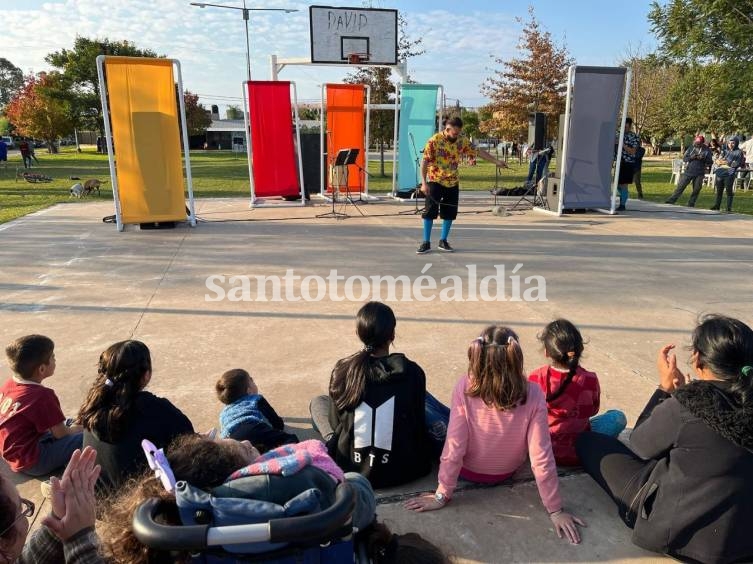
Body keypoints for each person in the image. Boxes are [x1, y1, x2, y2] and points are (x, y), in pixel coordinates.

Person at [576, 315, 753, 564]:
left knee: (589, 443)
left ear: (698, 359)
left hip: (677, 536)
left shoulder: (691, 403)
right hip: (742, 542)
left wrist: (666, 389)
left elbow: (640, 444)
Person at [404, 326, 585, 545]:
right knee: (444, 411)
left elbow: (454, 446)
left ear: (478, 356)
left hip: (466, 471)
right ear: (516, 357)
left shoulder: (465, 385)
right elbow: (541, 458)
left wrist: (442, 494)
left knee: (421, 398)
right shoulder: (534, 392)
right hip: (506, 472)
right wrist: (555, 510)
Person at [100, 433, 378, 563]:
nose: (248, 442)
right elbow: (360, 500)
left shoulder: (180, 532)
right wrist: (352, 480)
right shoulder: (298, 484)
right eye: (245, 450)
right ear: (240, 473)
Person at [309, 301, 440, 489]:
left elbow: (336, 421)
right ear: (392, 335)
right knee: (424, 401)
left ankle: (332, 443)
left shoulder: (343, 370)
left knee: (318, 402)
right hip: (407, 469)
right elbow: (417, 421)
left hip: (352, 469)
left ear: (358, 334)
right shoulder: (412, 371)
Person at [78, 340, 194, 493]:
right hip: (138, 507)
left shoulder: (93, 405)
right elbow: (191, 444)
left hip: (96, 501)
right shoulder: (156, 409)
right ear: (146, 375)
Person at [528, 319, 626, 466]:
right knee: (617, 417)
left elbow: (525, 413)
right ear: (580, 350)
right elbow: (593, 410)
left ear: (547, 352)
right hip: (580, 450)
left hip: (541, 450)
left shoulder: (536, 377)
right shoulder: (590, 379)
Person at [416, 116, 508, 254]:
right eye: (454, 133)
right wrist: (423, 183)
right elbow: (425, 162)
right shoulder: (434, 141)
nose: (456, 136)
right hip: (435, 180)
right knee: (430, 212)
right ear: (447, 129)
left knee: (450, 213)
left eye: (458, 133)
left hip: (453, 181)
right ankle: (426, 242)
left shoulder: (461, 141)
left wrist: (497, 161)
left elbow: (478, 152)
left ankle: (443, 241)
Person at [0, 446, 105, 563]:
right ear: (2, 544)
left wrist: (57, 524)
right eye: (21, 509)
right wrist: (80, 539)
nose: (25, 511)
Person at [0, 335, 83, 477]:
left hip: (15, 454)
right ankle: (66, 472)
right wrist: (82, 429)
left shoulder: (9, 385)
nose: (55, 360)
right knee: (88, 436)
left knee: (68, 422)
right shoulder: (42, 395)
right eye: (53, 357)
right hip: (34, 461)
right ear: (42, 369)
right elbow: (61, 434)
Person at [216, 368, 298, 452]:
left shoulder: (224, 413)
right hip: (251, 428)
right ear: (249, 390)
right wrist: (279, 426)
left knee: (250, 452)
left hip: (230, 440)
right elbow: (275, 421)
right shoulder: (255, 399)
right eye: (252, 381)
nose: (254, 383)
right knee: (291, 439)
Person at [665, 135, 714, 207]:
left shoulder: (707, 150)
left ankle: (691, 203)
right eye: (696, 142)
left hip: (700, 172)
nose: (697, 144)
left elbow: (710, 162)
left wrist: (703, 159)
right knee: (680, 186)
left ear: (702, 143)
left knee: (696, 189)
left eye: (699, 143)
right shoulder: (691, 148)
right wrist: (691, 157)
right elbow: (685, 159)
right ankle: (671, 200)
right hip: (689, 171)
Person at [711, 136, 745, 212]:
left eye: (733, 143)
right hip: (720, 172)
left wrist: (728, 162)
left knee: (728, 191)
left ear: (736, 143)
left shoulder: (739, 152)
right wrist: (718, 161)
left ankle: (728, 207)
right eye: (729, 143)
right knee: (719, 190)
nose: (731, 144)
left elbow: (738, 163)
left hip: (729, 173)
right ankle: (717, 205)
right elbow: (718, 159)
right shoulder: (725, 151)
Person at [616, 117, 640, 211]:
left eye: (626, 127)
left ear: (630, 127)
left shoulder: (634, 137)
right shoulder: (617, 134)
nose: (624, 129)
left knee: (623, 185)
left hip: (627, 163)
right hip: (617, 162)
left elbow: (633, 151)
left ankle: (622, 204)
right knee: (617, 184)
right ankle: (623, 196)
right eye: (622, 127)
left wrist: (622, 144)